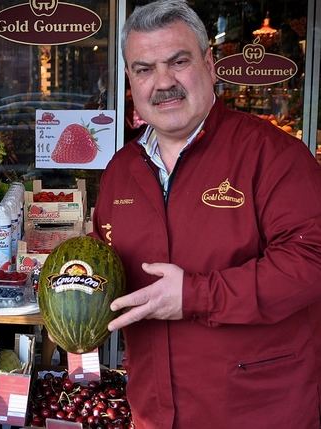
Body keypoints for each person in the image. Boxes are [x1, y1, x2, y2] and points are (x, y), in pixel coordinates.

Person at [92, 1, 321, 428]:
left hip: (258, 409)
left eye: (178, 62)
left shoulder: (273, 156)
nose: (163, 82)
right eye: (144, 69)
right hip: (154, 411)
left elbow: (311, 262)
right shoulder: (120, 171)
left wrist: (196, 295)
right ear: (130, 81)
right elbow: (107, 270)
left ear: (209, 64)